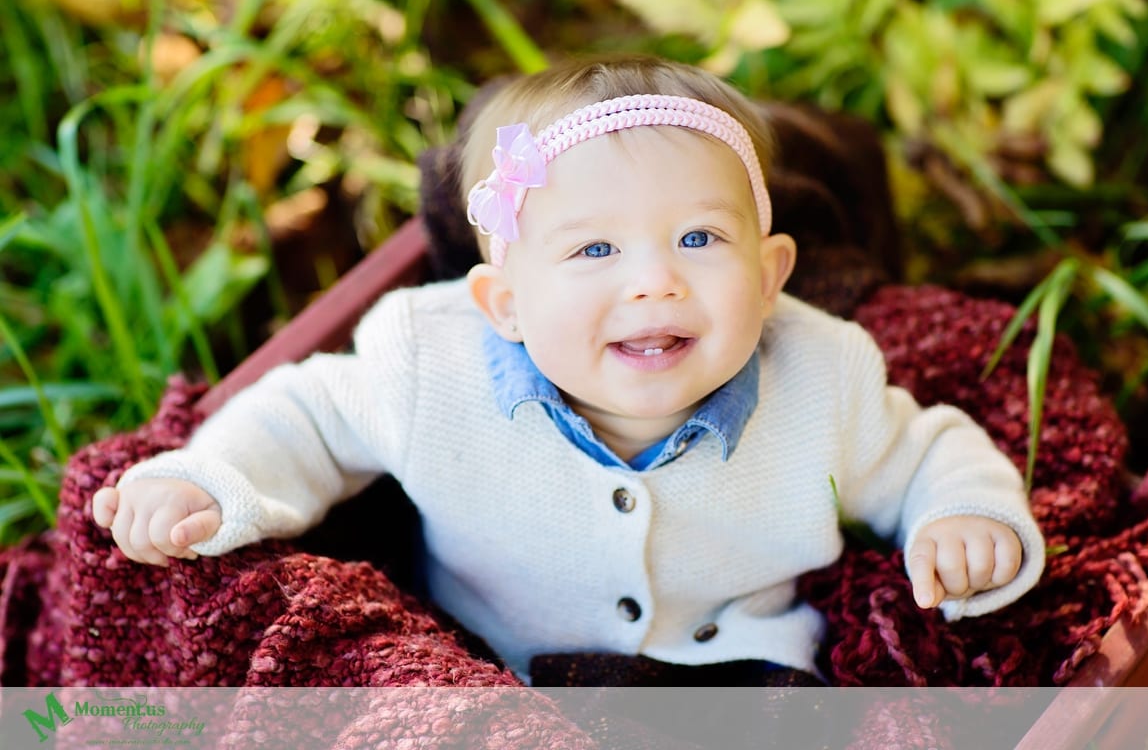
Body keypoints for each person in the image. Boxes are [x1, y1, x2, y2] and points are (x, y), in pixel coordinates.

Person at [94, 54, 1045, 683]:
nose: (654, 283)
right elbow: (306, 417)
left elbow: (923, 451)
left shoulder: (822, 379)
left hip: (740, 679)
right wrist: (210, 480)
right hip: (497, 665)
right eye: (594, 252)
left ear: (768, 276)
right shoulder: (427, 363)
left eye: (698, 237)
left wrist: (962, 515)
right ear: (504, 303)